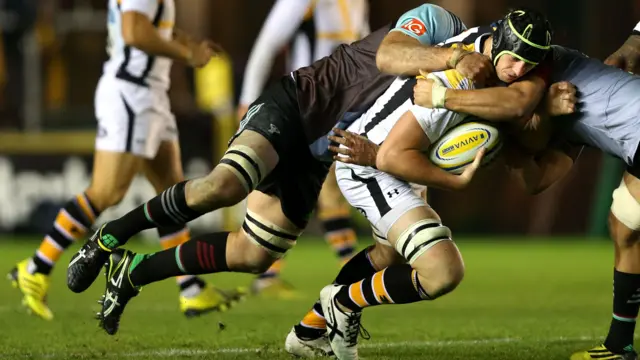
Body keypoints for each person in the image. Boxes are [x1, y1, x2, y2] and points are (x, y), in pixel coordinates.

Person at [65, 3, 495, 337]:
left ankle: (133, 271)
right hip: (295, 106)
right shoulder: (439, 25)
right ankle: (107, 238)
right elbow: (386, 54)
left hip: (319, 153)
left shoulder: (462, 89)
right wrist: (453, 59)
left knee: (254, 255)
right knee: (223, 186)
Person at [282, 10, 557, 359]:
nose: (519, 71)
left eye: (528, 65)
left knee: (386, 257)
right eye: (515, 58)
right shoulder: (457, 79)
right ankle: (342, 302)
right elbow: (390, 157)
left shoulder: (489, 59)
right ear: (499, 41)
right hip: (373, 166)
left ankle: (309, 330)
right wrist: (454, 182)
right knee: (442, 270)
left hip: (396, 159)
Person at [409, 20, 640, 360]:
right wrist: (509, 145)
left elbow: (516, 104)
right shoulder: (565, 123)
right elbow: (537, 180)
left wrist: (443, 97)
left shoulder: (542, 73)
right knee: (624, 226)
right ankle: (620, 345)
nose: (519, 70)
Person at [7, 0, 244, 321]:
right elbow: (134, 32)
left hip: (150, 95)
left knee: (170, 195)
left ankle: (191, 289)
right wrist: (187, 54)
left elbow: (151, 26)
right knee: (106, 193)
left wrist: (189, 42)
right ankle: (37, 267)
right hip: (132, 95)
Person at [237, 0, 370, 298]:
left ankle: (345, 271)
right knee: (303, 188)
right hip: (306, 101)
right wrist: (247, 99)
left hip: (342, 103)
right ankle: (346, 271)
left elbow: (365, 46)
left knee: (329, 187)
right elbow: (268, 42)